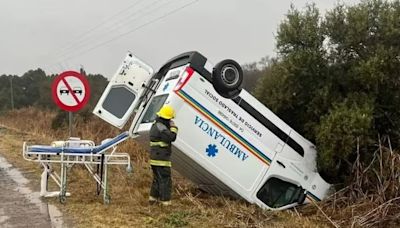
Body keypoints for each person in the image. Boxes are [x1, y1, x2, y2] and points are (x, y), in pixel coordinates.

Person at [148, 104, 178, 206]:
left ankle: (152, 200)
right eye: (170, 119)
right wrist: (174, 128)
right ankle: (165, 203)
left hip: (155, 158)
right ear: (167, 118)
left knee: (157, 180)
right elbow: (171, 137)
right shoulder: (162, 127)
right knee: (165, 180)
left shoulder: (155, 125)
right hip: (162, 159)